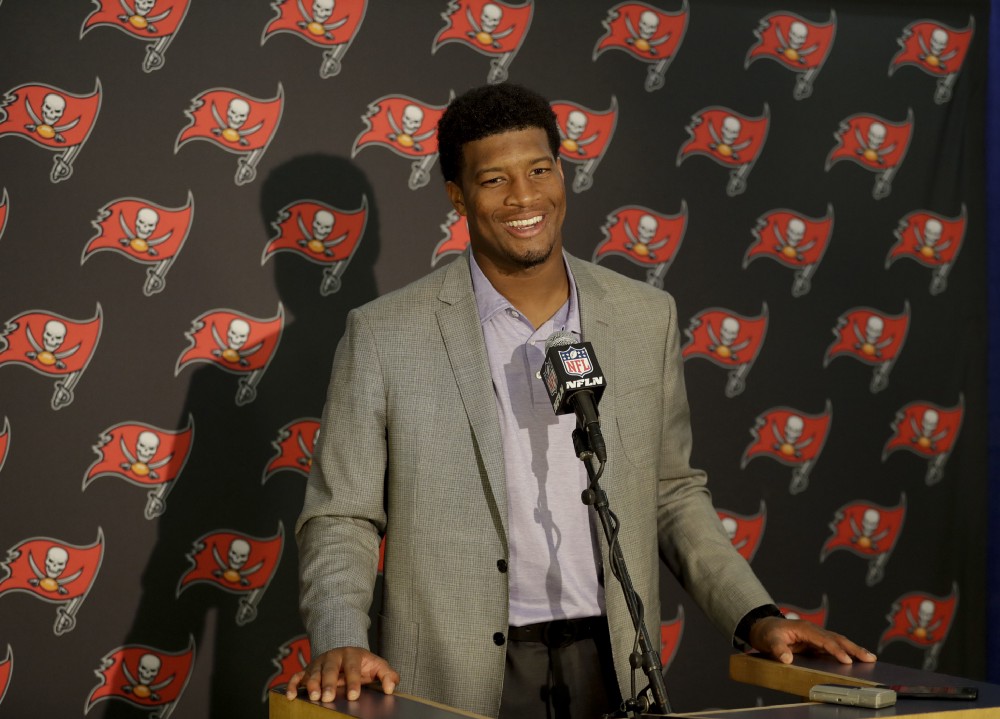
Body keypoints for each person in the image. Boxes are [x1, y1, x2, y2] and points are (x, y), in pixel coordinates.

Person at [287, 83, 875, 718]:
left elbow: (672, 492)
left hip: (614, 665)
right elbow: (341, 516)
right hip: (454, 677)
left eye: (539, 170)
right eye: (494, 180)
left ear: (562, 174)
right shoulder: (385, 334)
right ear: (457, 195)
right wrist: (340, 637)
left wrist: (756, 616)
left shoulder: (644, 316)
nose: (524, 197)